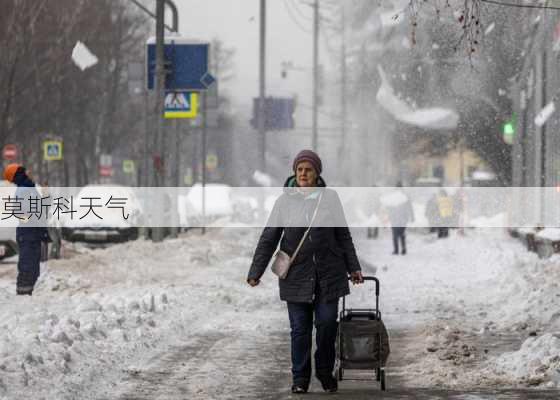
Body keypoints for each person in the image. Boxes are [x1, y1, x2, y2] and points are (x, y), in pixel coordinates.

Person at [247, 150, 363, 394]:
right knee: (300, 330)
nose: (303, 174)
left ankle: (324, 371)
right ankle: (300, 378)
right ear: (294, 172)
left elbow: (343, 235)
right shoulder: (284, 202)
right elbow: (270, 237)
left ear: (317, 173)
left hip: (328, 274)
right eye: (299, 170)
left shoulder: (330, 199)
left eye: (308, 170)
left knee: (327, 325)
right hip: (296, 276)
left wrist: (353, 267)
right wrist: (255, 271)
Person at [3, 164, 51, 295]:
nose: (29, 172)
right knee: (28, 267)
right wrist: (29, 221)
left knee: (33, 268)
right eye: (25, 170)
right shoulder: (24, 190)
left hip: (32, 233)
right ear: (19, 175)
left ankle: (26, 295)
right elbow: (19, 212)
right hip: (28, 234)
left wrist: (46, 195)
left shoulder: (30, 188)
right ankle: (23, 295)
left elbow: (42, 210)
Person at [386, 182, 414, 255]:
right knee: (402, 233)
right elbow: (409, 207)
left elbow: (389, 207)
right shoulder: (405, 196)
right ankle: (403, 249)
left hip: (395, 218)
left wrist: (388, 216)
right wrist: (412, 216)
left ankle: (396, 250)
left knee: (395, 234)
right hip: (403, 218)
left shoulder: (393, 196)